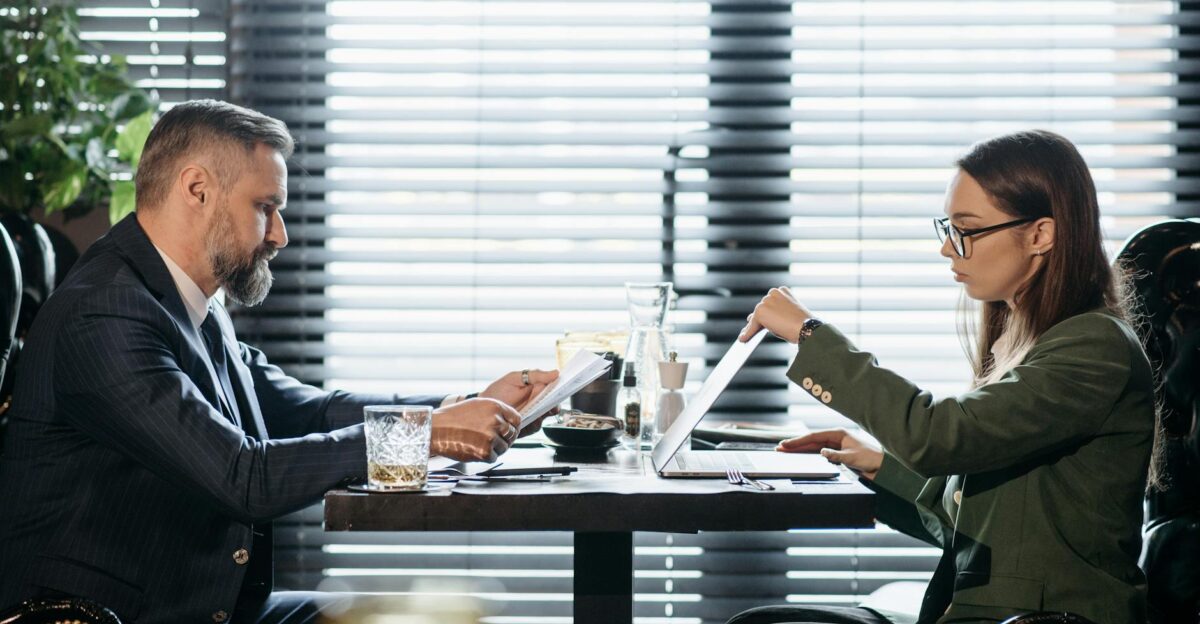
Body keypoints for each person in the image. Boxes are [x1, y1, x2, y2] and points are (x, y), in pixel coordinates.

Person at [0, 99, 558, 624]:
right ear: (197, 189)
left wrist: (458, 406)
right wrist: (429, 434)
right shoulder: (106, 314)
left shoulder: (185, 299)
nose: (281, 235)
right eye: (265, 208)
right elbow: (244, 477)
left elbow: (308, 412)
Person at [730, 130, 1157, 623]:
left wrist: (810, 335)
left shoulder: (1094, 347)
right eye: (948, 228)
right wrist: (877, 465)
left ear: (1041, 234)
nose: (949, 249)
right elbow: (976, 529)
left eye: (967, 230)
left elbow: (939, 437)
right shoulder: (1031, 341)